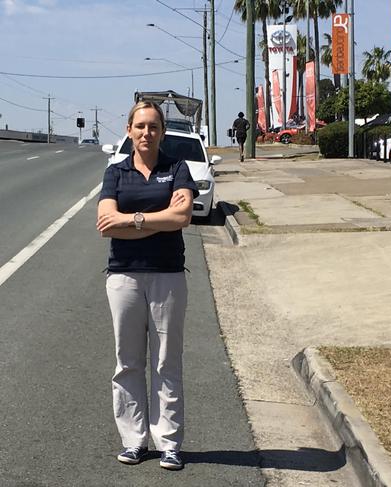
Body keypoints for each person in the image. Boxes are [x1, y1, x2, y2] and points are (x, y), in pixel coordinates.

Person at [96, 100, 198, 471]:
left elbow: (183, 216)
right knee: (129, 361)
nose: (146, 133)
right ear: (129, 130)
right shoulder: (116, 172)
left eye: (153, 127)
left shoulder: (177, 169)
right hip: (123, 275)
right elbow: (105, 221)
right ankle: (134, 440)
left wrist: (132, 219)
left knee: (166, 361)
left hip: (168, 275)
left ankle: (169, 443)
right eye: (140, 126)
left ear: (161, 132)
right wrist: (158, 219)